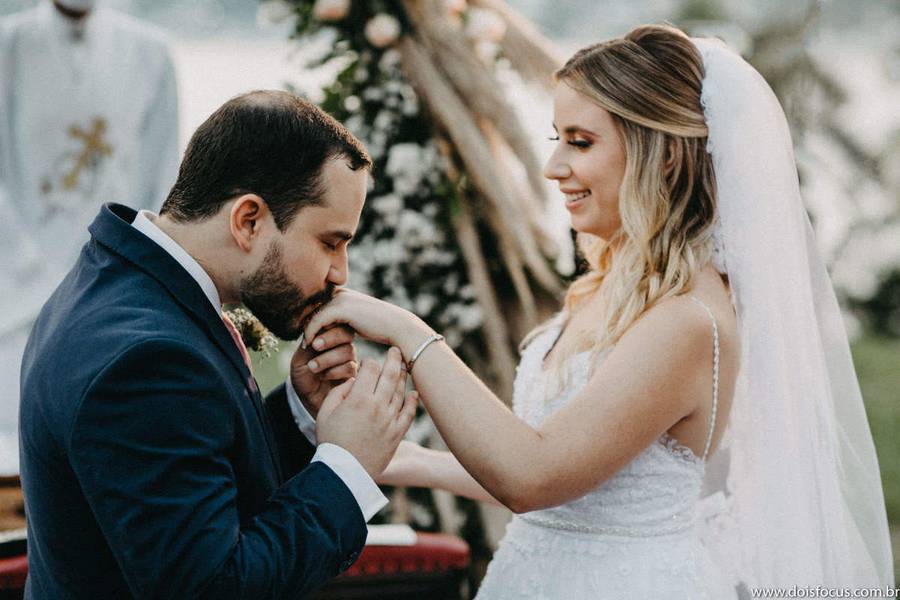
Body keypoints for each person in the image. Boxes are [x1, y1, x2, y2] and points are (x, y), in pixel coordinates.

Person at [303, 25, 894, 596]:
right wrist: (406, 461)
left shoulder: (688, 321)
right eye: (557, 138)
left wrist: (405, 330)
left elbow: (534, 475)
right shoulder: (612, 285)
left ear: (660, 155)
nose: (553, 167)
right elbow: (577, 477)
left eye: (581, 143)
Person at [19, 90, 418, 598]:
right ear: (248, 220)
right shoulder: (147, 360)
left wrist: (297, 414)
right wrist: (348, 466)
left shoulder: (119, 281)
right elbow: (214, 586)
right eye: (330, 242)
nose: (340, 274)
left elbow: (188, 469)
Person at [0, 0, 180, 473]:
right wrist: (30, 268)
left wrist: (132, 271)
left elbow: (162, 181)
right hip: (16, 288)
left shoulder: (150, 51)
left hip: (116, 280)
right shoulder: (8, 45)